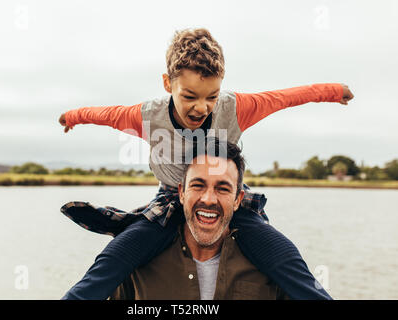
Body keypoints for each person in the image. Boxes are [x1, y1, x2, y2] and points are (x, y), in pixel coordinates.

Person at [59, 28, 353, 300]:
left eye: (211, 96)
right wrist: (71, 117)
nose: (201, 107)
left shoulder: (236, 108)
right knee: (113, 260)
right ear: (167, 84)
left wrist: (333, 91)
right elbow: (105, 115)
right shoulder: (148, 117)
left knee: (284, 257)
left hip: (225, 195)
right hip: (172, 198)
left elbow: (285, 98)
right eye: (189, 96)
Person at [110, 139, 292, 299]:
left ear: (238, 199)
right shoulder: (139, 258)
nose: (208, 199)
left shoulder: (269, 263)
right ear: (181, 193)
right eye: (198, 185)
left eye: (223, 188)